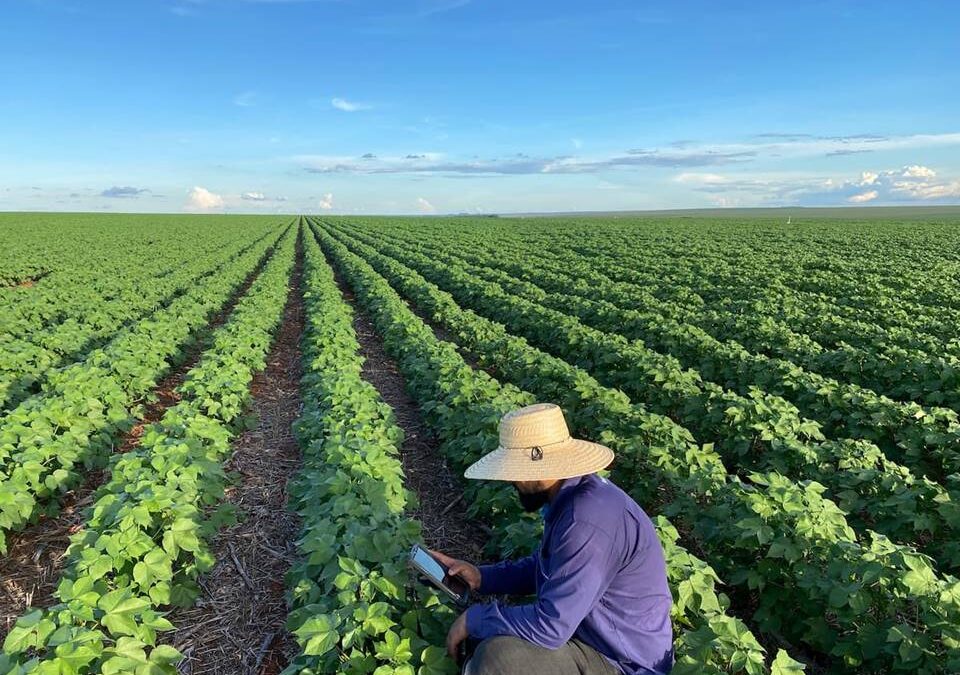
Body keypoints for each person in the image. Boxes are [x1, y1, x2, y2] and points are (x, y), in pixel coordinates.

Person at [433, 402, 674, 675]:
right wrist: (482, 577)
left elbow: (552, 625)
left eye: (514, 469)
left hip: (622, 662)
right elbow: (548, 566)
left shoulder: (585, 520)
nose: (510, 480)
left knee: (498, 660)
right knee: (489, 641)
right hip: (591, 635)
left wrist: (474, 619)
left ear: (541, 467)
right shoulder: (574, 496)